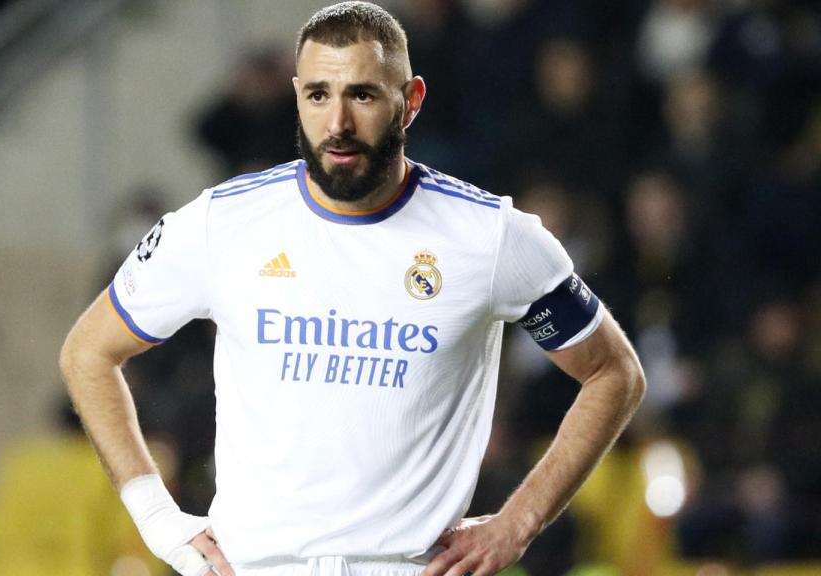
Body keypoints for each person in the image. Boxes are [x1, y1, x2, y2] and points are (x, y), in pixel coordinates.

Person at [59, 3, 646, 576]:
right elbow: (88, 352)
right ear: (297, 98)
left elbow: (613, 373)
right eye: (318, 95)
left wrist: (518, 523)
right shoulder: (220, 224)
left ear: (410, 101)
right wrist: (159, 519)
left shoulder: (490, 237)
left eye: (362, 94)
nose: (337, 122)